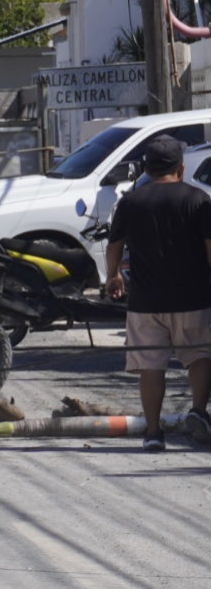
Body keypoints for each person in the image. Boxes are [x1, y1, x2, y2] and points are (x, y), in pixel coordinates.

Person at [105, 135, 211, 452]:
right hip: (193, 299)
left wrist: (112, 277)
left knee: (151, 367)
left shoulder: (130, 202)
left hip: (144, 303)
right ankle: (199, 412)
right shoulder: (198, 200)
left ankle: (152, 432)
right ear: (180, 166)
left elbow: (114, 246)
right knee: (200, 357)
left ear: (147, 168)